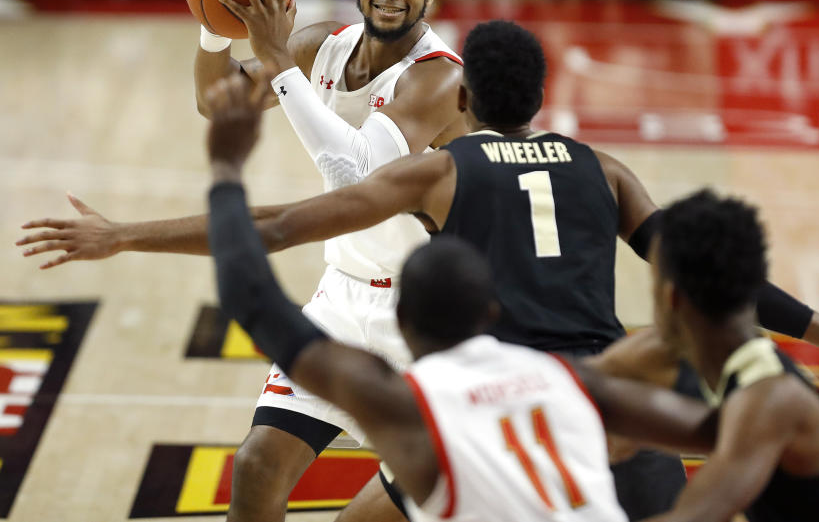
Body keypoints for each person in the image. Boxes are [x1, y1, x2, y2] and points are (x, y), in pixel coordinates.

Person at [20, 21, 819, 519]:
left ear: (462, 98)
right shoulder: (604, 167)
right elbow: (716, 288)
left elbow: (280, 226)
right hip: (611, 408)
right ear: (545, 99)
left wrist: (125, 235)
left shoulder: (440, 169)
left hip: (499, 407)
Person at [202, 70, 725, 522]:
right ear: (489, 310)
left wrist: (227, 167)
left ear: (402, 323)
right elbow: (724, 431)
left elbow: (251, 296)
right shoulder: (572, 379)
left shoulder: (411, 413)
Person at [198, 0, 466, 522]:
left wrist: (274, 59)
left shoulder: (438, 76)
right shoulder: (321, 45)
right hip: (340, 299)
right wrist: (215, 27)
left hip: (427, 315)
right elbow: (214, 101)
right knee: (256, 466)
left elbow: (360, 176)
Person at [635, 189, 819, 521]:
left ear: (670, 296)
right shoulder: (713, 360)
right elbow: (595, 386)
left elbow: (693, 517)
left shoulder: (776, 400)